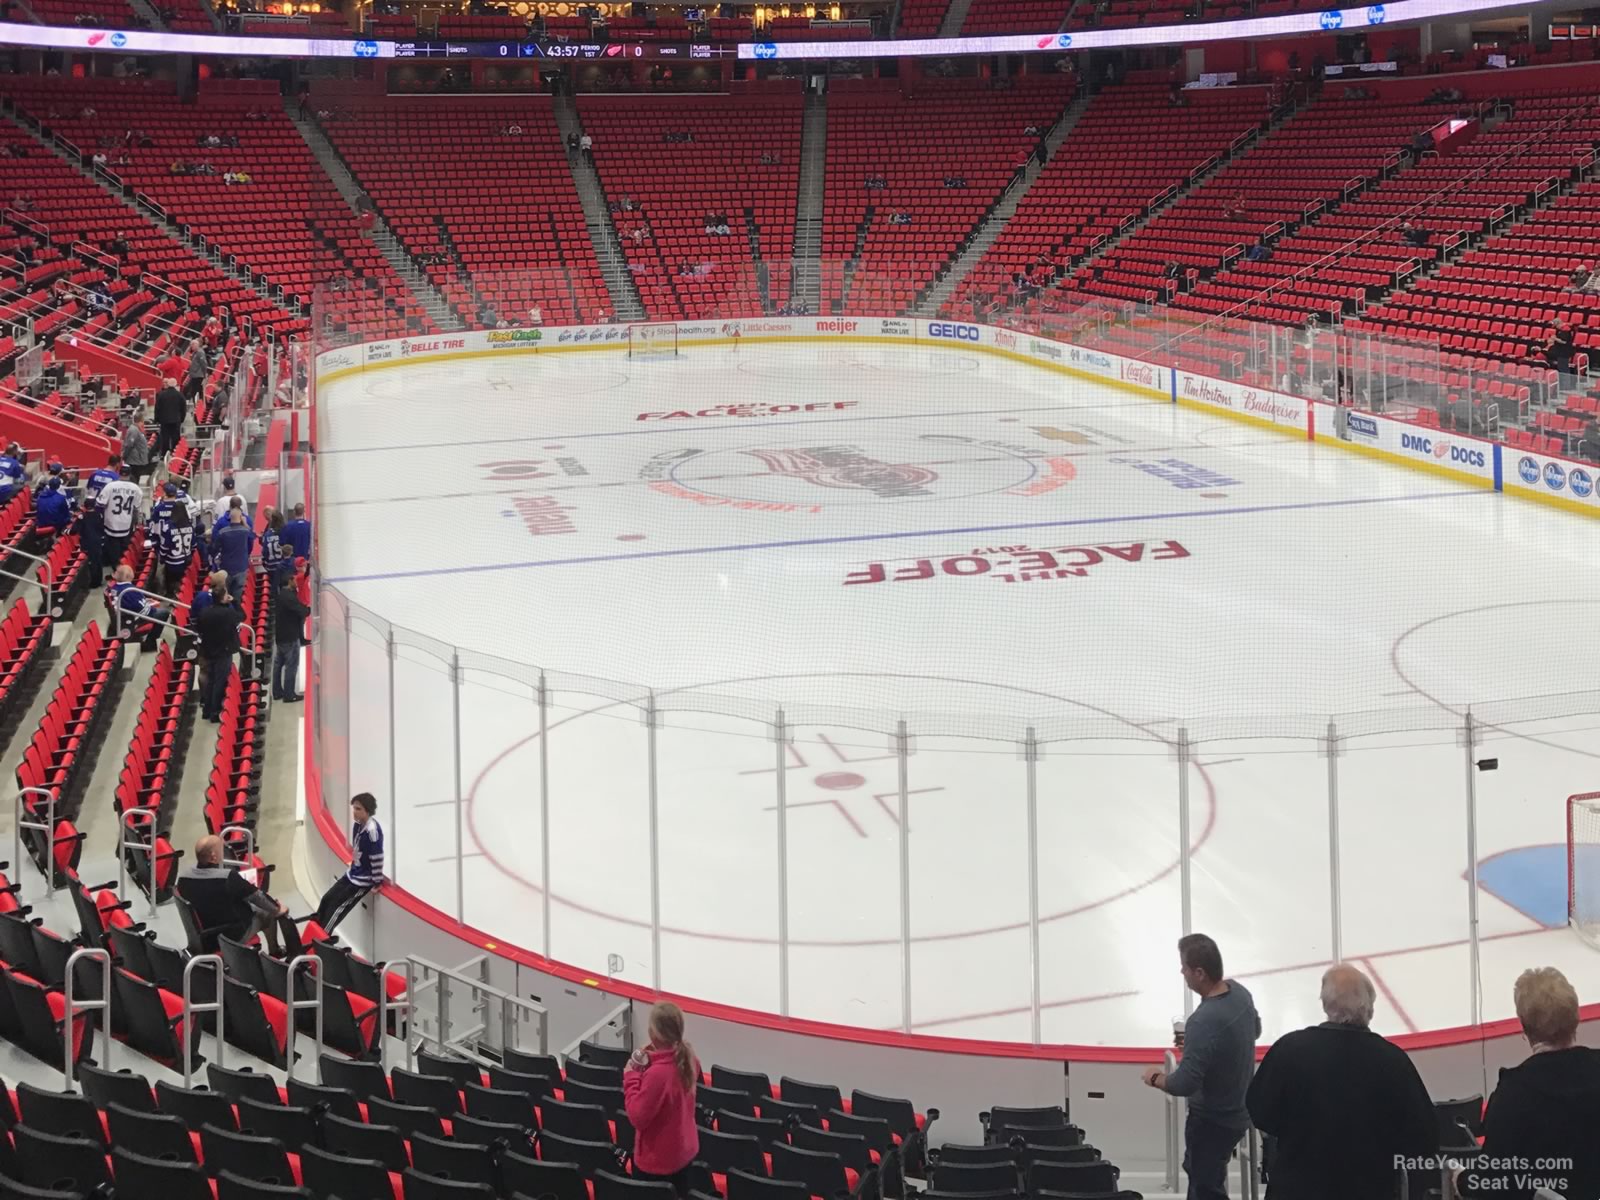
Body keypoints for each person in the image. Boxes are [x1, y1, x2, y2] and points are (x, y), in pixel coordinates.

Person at [1245, 964, 1437, 1199]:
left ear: (1326, 1004)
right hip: (1369, 1189)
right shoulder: (1392, 1060)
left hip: (1298, 1187)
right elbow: (1421, 1132)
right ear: (1369, 1009)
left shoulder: (1289, 1049)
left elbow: (1261, 1113)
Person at [1457, 968, 1600, 1200]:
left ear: (1524, 1027)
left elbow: (1492, 1182)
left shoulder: (1515, 1092)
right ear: (1576, 1018)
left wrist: (1460, 1179)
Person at [1142, 934, 1260, 1200]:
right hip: (1239, 1110)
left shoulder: (1203, 1021)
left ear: (1199, 973)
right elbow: (1254, 1030)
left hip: (1212, 1120)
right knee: (1205, 1179)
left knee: (1205, 1188)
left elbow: (1184, 1083)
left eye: (1184, 966)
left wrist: (1154, 1077)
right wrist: (1200, 1046)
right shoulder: (1240, 993)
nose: (1181, 971)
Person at [624, 1001, 701, 1196]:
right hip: (684, 1153)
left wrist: (631, 1076)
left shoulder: (658, 1075)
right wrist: (654, 1058)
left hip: (658, 1163)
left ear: (653, 1034)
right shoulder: (689, 1057)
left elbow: (637, 1117)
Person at [176, 834, 287, 954]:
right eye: (221, 848)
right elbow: (257, 897)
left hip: (203, 934)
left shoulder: (183, 878)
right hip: (229, 935)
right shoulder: (227, 878)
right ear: (213, 857)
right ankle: (275, 951)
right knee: (267, 914)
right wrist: (277, 908)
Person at [314, 793, 385, 934]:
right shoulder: (358, 825)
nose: (355, 812)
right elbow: (359, 850)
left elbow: (376, 858)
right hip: (352, 873)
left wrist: (377, 882)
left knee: (337, 908)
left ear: (367, 811)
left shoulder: (372, 833)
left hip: (362, 882)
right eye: (354, 808)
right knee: (327, 899)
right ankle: (315, 927)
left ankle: (322, 937)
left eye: (358, 809)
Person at [195, 581, 242, 723]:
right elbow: (241, 616)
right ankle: (215, 712)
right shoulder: (227, 613)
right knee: (219, 682)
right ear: (223, 597)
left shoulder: (204, 612)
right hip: (223, 651)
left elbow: (199, 628)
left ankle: (207, 710)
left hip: (208, 649)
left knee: (210, 681)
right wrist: (234, 602)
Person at [95, 464, 143, 585]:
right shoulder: (136, 488)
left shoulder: (110, 486)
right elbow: (136, 506)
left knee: (113, 551)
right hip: (126, 523)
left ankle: (118, 574)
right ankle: (123, 574)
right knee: (124, 550)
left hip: (111, 522)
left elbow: (99, 503)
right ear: (130, 474)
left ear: (119, 472)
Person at [106, 563, 173, 649]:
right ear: (129, 576)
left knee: (158, 610)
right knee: (164, 613)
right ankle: (150, 643)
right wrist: (150, 607)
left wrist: (146, 601)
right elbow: (141, 608)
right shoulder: (129, 590)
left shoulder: (115, 587)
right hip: (131, 618)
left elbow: (135, 603)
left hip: (126, 615)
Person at [272, 572, 307, 702]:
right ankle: (289, 694)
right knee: (291, 665)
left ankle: (276, 692)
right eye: (294, 579)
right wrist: (307, 610)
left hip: (280, 635)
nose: (296, 581)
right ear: (289, 581)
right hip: (290, 636)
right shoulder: (289, 598)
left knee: (278, 664)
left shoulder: (281, 595)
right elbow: (301, 610)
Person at [212, 507, 255, 602]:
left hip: (226, 567)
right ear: (241, 517)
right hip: (241, 568)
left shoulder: (222, 532)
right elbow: (252, 537)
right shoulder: (245, 531)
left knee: (224, 595)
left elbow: (215, 549)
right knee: (237, 597)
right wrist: (245, 523)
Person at [155, 500, 195, 597]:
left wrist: (162, 558)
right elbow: (194, 545)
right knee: (182, 585)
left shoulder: (168, 526)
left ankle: (169, 596)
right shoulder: (190, 525)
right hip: (185, 561)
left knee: (170, 585)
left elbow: (164, 546)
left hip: (172, 563)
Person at [121, 412, 152, 484]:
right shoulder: (133, 430)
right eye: (142, 422)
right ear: (140, 421)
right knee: (134, 479)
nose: (143, 424)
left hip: (138, 460)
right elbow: (129, 445)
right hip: (134, 461)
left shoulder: (137, 430)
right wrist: (124, 456)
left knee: (136, 478)